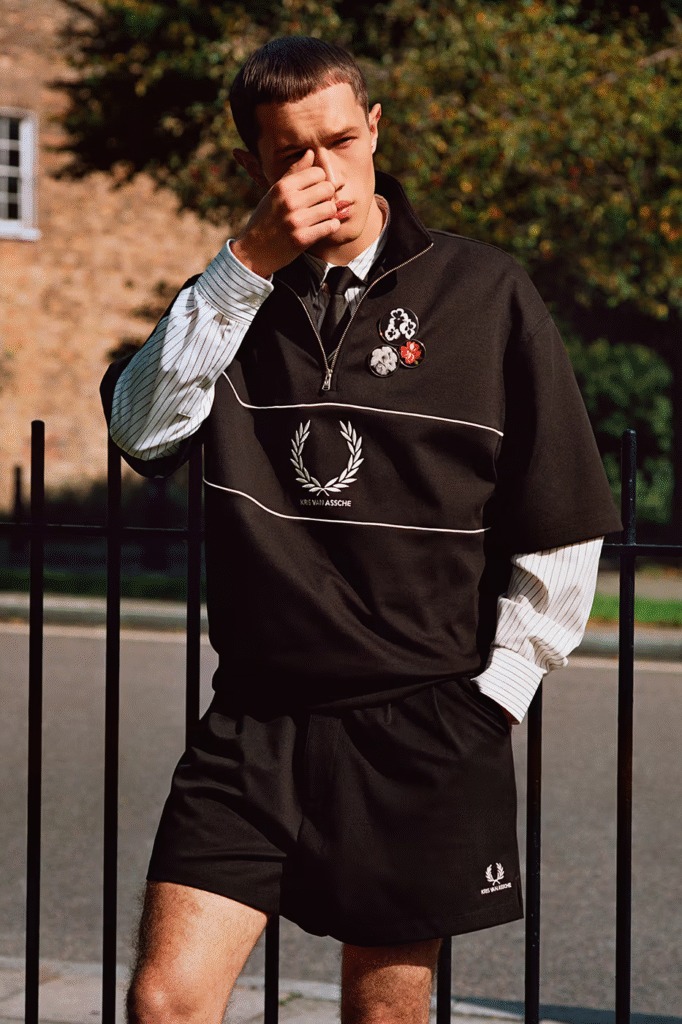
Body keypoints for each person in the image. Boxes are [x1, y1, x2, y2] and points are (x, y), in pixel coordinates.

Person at [101, 36, 622, 1024]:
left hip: (421, 721)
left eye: (340, 141)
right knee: (165, 1000)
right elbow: (141, 431)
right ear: (253, 164)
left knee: (382, 1015)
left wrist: (497, 698)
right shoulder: (230, 300)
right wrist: (246, 264)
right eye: (290, 153)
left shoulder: (485, 291)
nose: (322, 171)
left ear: (374, 129)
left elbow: (558, 518)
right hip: (254, 717)